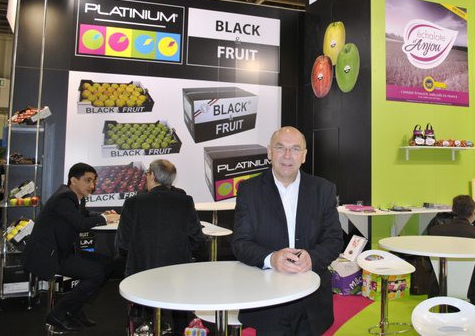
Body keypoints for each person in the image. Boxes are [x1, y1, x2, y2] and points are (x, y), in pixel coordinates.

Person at [232, 126, 343, 335]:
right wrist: (271, 258)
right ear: (269, 152)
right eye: (280, 147)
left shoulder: (324, 190)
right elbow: (240, 243)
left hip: (311, 298)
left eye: (295, 149)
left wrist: (312, 257)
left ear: (304, 156)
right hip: (268, 301)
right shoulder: (249, 190)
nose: (287, 155)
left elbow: (334, 239)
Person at [23, 163, 120, 332]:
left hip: (62, 252)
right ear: (73, 180)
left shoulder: (75, 197)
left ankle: (74, 310)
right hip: (49, 256)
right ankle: (57, 314)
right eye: (88, 180)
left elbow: (83, 215)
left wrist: (103, 215)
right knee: (96, 272)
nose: (92, 185)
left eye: (94, 181)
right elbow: (81, 223)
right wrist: (105, 219)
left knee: (107, 263)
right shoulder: (64, 198)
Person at [116, 159, 206, 335]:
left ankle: (141, 324)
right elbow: (197, 239)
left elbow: (123, 244)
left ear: (152, 175)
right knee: (181, 308)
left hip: (140, 271)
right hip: (177, 271)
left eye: (147, 173)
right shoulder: (185, 201)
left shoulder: (133, 202)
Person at [428, 195, 475, 312]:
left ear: (453, 210)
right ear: (473, 212)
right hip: (474, 290)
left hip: (441, 285)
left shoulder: (435, 231)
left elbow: (427, 264)